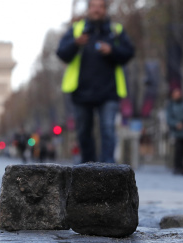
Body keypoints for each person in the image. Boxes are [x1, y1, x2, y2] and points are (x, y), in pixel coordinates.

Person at [56, 0, 134, 163]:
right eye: (93, 6)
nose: (96, 10)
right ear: (89, 9)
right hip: (81, 92)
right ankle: (88, 168)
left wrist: (112, 50)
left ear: (105, 9)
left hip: (109, 92)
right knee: (83, 132)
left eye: (100, 6)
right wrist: (76, 43)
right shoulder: (77, 30)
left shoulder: (116, 30)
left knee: (108, 130)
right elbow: (61, 53)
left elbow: (129, 52)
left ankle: (108, 170)